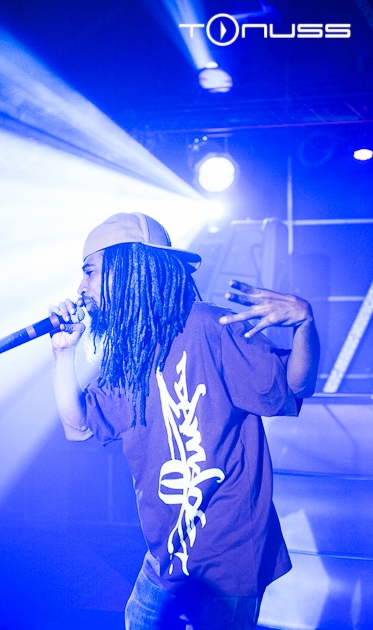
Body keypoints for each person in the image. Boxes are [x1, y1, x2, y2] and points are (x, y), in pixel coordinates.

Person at [50, 212, 320, 630]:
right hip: (166, 558)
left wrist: (304, 324)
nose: (81, 288)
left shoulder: (209, 327)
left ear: (130, 267)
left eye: (90, 271)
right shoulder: (131, 351)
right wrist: (63, 352)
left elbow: (296, 385)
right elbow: (77, 426)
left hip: (228, 558)